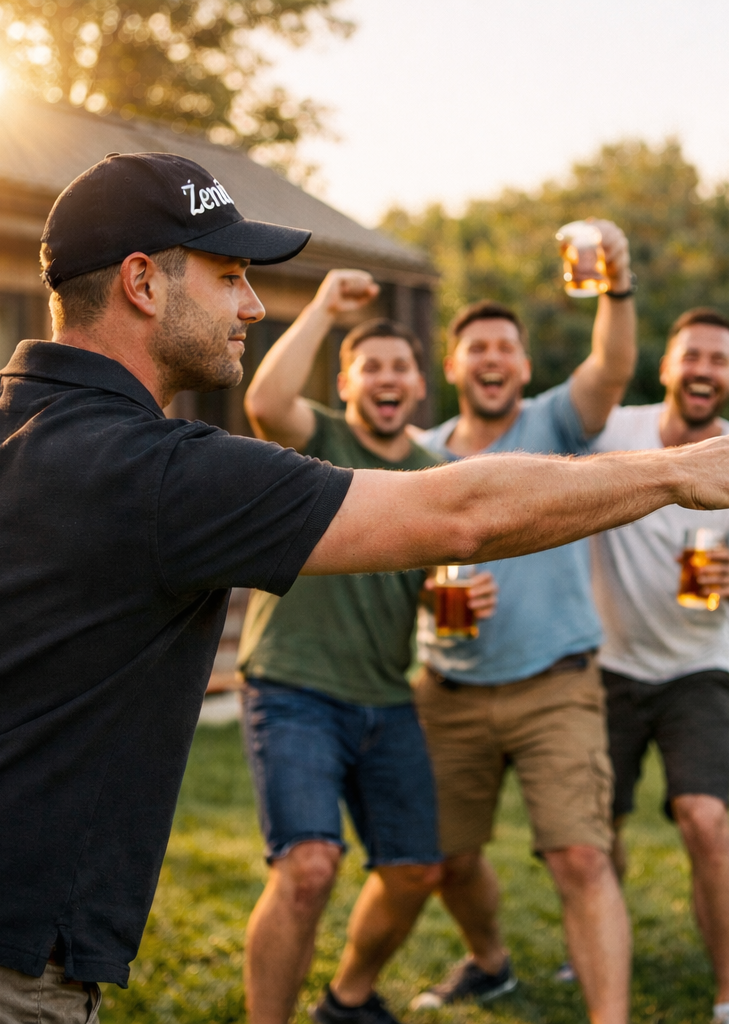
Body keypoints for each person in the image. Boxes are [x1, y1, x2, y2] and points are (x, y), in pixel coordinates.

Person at [0, 152, 729, 1024]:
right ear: (142, 280)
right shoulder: (167, 471)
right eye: (228, 276)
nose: (254, 306)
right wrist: (675, 469)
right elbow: (452, 512)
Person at [235, 269, 497, 1024]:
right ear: (346, 383)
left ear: (418, 386)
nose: (386, 378)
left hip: (387, 695)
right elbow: (265, 401)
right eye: (369, 367)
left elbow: (432, 590)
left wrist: (458, 602)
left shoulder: (437, 473)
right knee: (308, 867)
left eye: (398, 368)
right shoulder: (320, 440)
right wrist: (322, 306)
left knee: (417, 869)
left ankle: (348, 999)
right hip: (292, 686)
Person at [408, 222, 638, 1024]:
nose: (493, 359)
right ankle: (488, 960)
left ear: (526, 366)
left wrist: (616, 280)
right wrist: (433, 602)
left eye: (506, 346)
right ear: (454, 365)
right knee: (445, 858)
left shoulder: (553, 427)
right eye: (478, 347)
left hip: (556, 685)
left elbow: (611, 367)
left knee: (581, 854)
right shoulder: (421, 455)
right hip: (451, 689)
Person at [588, 308, 729, 1024]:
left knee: (705, 819)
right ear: (667, 367)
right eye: (692, 355)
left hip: (698, 670)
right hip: (607, 666)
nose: (704, 370)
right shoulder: (616, 433)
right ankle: (598, 937)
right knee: (598, 827)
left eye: (719, 360)